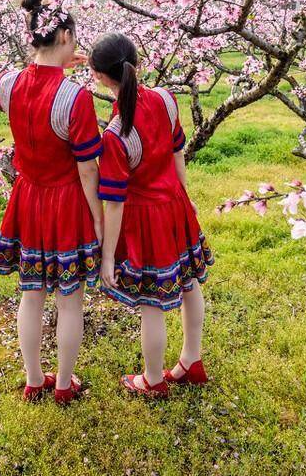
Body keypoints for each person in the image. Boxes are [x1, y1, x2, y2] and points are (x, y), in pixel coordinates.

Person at [0, 0, 103, 405]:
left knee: (31, 294)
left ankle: (34, 379)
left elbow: (28, 82)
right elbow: (88, 169)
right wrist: (99, 220)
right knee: (70, 299)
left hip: (27, 197)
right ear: (67, 35)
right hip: (66, 201)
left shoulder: (7, 84)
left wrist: (51, 63)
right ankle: (64, 384)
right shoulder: (76, 97)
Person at [89, 32, 212, 398]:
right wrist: (184, 196)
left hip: (146, 221)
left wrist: (108, 256)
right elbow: (177, 153)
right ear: (136, 64)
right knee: (188, 283)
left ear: (98, 77)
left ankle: (153, 379)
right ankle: (192, 359)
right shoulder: (165, 99)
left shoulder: (115, 134)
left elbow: (114, 201)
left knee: (151, 303)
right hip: (175, 205)